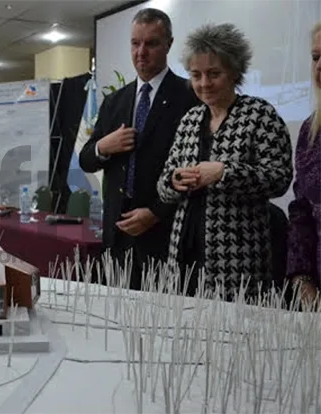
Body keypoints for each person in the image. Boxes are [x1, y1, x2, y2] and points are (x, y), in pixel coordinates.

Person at [157, 23, 293, 301]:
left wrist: (224, 173)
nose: (204, 83)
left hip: (237, 261)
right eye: (196, 75)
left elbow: (279, 178)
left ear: (234, 72)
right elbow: (163, 185)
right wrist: (175, 181)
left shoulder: (260, 114)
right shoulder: (190, 120)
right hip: (184, 252)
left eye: (214, 74)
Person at [79, 8, 198, 289]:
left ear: (169, 44)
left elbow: (193, 172)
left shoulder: (190, 96)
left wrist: (156, 212)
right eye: (135, 43)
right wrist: (103, 147)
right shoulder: (114, 102)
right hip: (117, 235)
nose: (141, 52)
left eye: (151, 43)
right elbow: (85, 160)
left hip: (165, 234)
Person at [286, 22, 321, 309]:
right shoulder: (311, 130)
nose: (319, 66)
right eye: (315, 57)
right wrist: (301, 277)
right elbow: (301, 210)